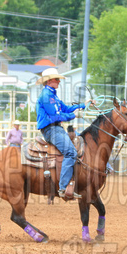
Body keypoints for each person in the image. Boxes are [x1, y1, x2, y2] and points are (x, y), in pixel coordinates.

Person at [36, 67, 93, 200]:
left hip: (56, 129)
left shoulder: (52, 95)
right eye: (57, 79)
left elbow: (66, 108)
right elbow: (55, 116)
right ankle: (63, 187)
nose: (59, 81)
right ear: (49, 81)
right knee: (71, 152)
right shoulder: (46, 96)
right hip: (51, 129)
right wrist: (73, 115)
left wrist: (83, 105)